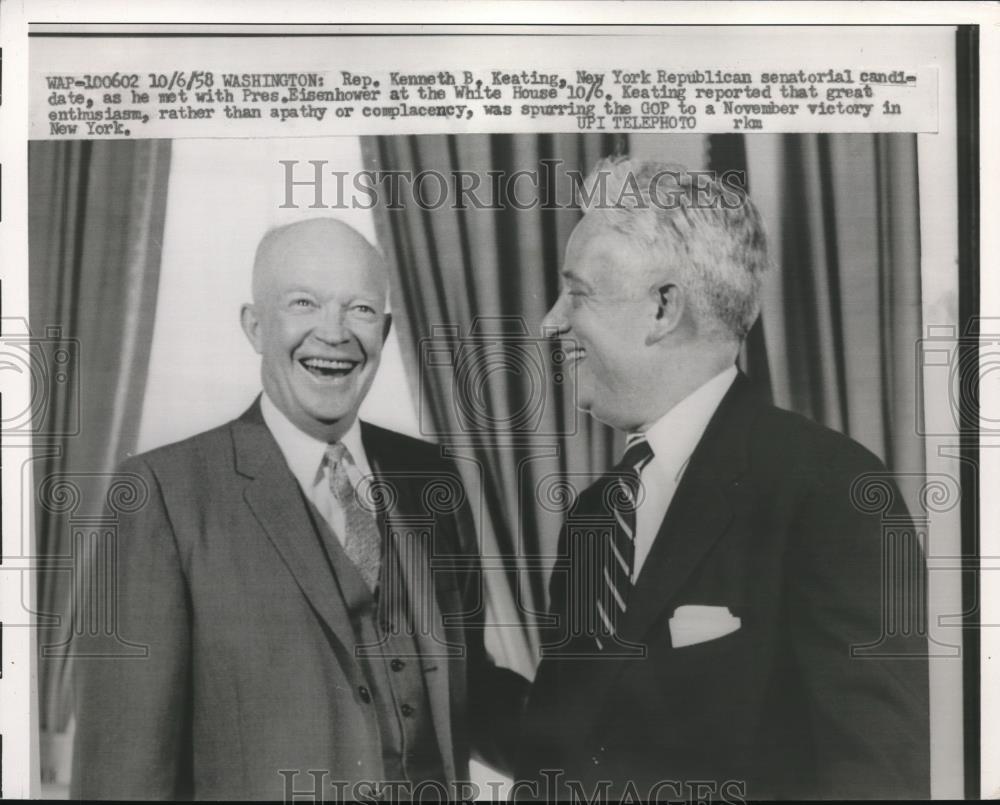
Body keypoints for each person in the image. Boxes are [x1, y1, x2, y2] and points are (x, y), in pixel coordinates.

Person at [517, 158, 930, 800]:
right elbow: (554, 760)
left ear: (663, 308)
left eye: (577, 293)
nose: (550, 322)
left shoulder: (831, 490)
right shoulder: (595, 516)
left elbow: (875, 778)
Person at [71, 218, 525, 800]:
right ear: (255, 326)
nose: (332, 334)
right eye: (303, 303)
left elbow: (472, 692)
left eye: (360, 309)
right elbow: (122, 772)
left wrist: (621, 736)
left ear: (385, 332)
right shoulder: (161, 494)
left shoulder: (431, 479)